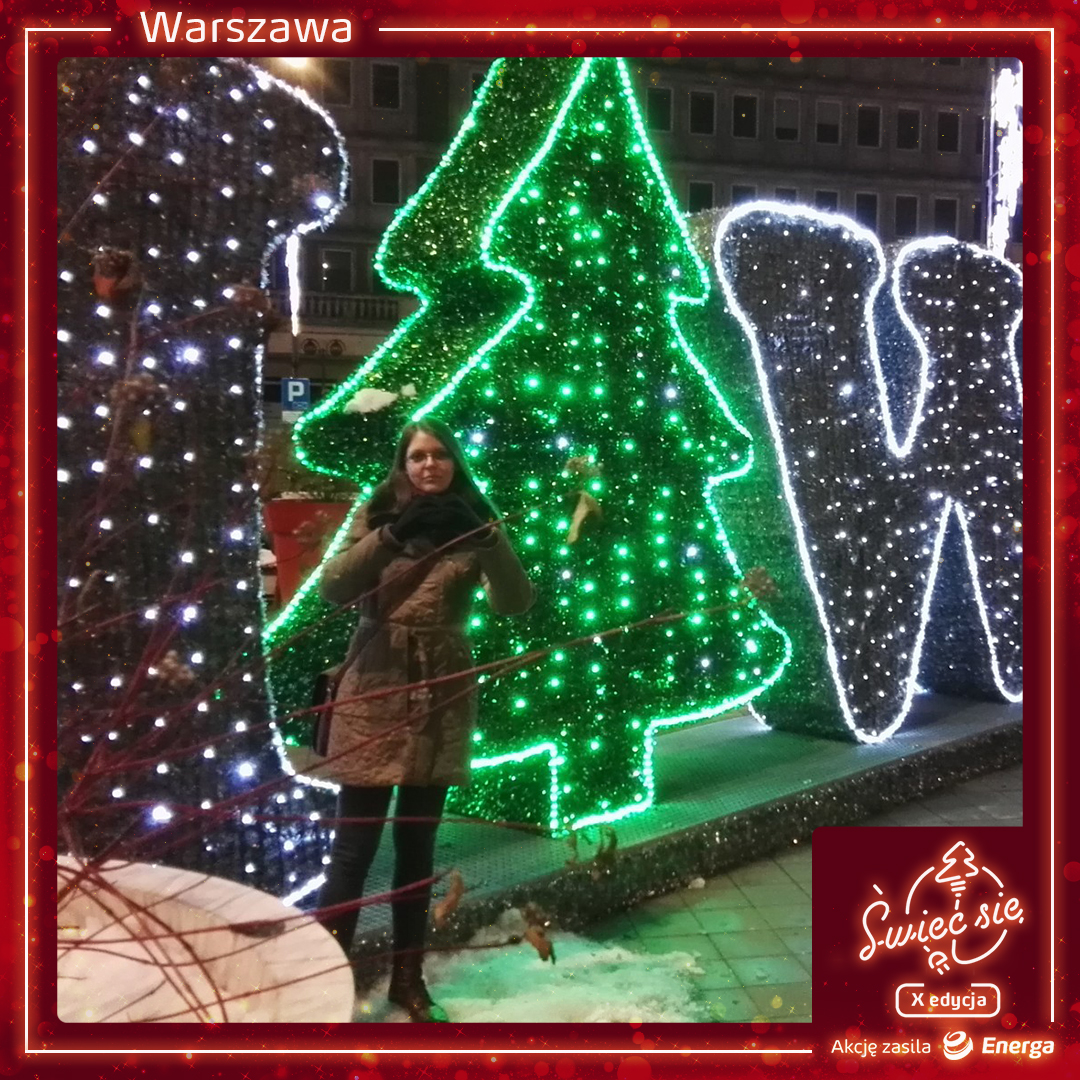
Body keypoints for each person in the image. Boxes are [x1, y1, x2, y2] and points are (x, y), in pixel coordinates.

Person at [312, 419, 534, 1022]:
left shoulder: (475, 517)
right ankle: (323, 984)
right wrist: (392, 535)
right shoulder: (378, 512)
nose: (429, 465)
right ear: (402, 464)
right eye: (417, 456)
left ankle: (407, 981)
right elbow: (334, 587)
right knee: (353, 849)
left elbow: (515, 602)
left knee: (417, 847)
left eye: (439, 455)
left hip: (441, 692)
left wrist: (487, 540)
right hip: (375, 686)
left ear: (454, 462)